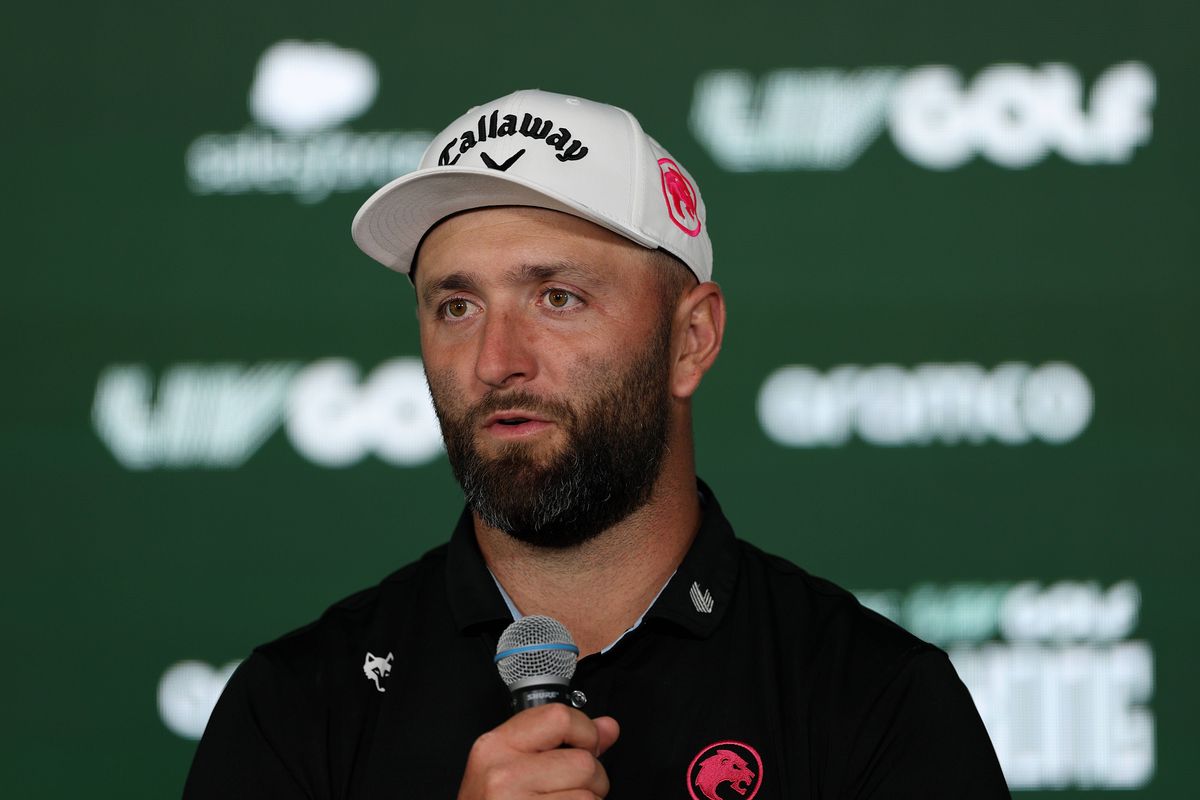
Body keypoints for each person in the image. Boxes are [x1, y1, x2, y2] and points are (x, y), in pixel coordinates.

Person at [184, 89, 1010, 799]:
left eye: (557, 297)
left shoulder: (871, 696)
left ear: (691, 341)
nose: (497, 361)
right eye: (456, 307)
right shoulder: (296, 708)